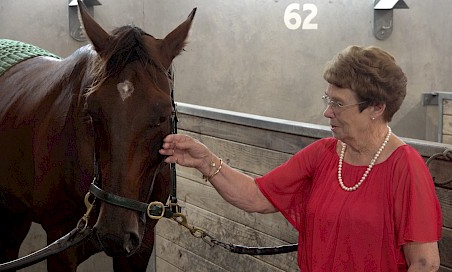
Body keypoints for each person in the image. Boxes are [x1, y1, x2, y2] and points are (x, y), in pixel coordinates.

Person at [159, 45, 442, 271]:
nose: (327, 112)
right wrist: (204, 159)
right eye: (327, 99)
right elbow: (256, 196)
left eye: (338, 103)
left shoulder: (405, 167)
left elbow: (425, 263)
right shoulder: (323, 154)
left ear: (376, 108)